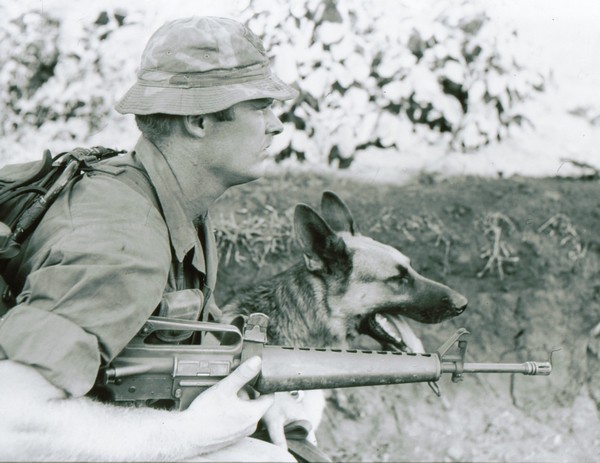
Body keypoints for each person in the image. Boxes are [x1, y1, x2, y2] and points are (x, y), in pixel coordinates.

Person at [0, 16, 307, 461]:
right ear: (200, 120)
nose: (275, 124)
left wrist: (245, 395)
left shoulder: (168, 197)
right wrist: (185, 434)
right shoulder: (124, 240)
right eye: (260, 106)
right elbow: (11, 422)